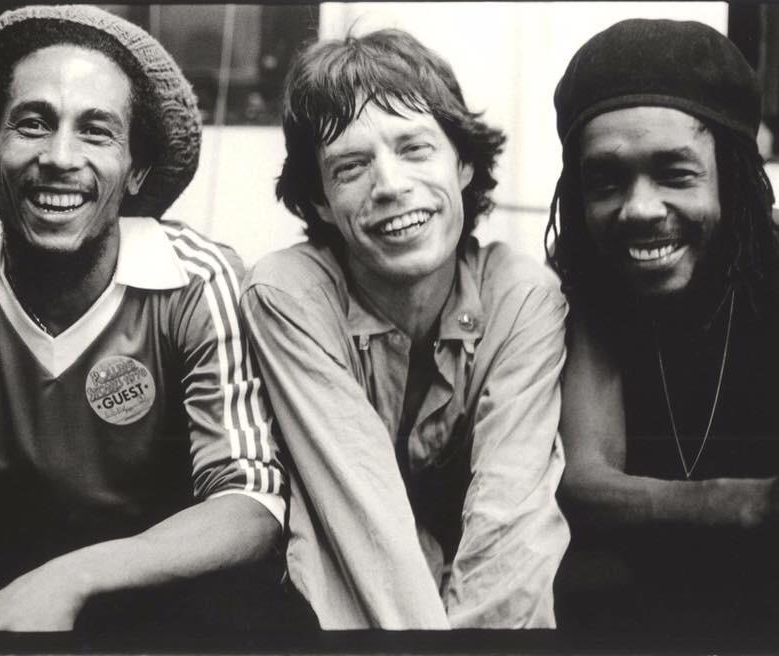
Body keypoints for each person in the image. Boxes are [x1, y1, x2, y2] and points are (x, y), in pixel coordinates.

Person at [0, 5, 311, 633]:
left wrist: (70, 580)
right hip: (1, 578)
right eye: (33, 123)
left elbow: (251, 503)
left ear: (136, 170)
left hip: (156, 581)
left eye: (96, 130)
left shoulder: (196, 280)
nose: (60, 156)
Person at [240, 29, 569, 629]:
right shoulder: (291, 295)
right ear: (320, 201)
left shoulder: (521, 297)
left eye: (415, 148)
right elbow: (361, 520)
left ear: (464, 163)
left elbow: (510, 524)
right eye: (350, 166)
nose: (390, 186)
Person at [546, 18, 779, 644]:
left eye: (675, 173)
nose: (639, 208)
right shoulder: (586, 275)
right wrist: (754, 501)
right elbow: (584, 483)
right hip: (636, 600)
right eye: (606, 181)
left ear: (733, 174)